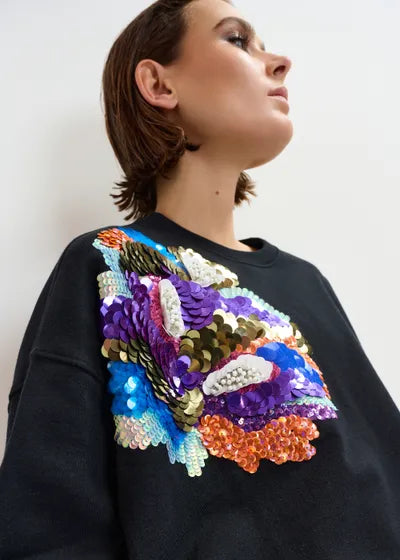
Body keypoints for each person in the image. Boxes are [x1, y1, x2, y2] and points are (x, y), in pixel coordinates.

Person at [1, 0, 399, 558]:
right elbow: (47, 516)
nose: (279, 62)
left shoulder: (306, 282)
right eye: (237, 40)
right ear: (159, 84)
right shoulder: (110, 263)